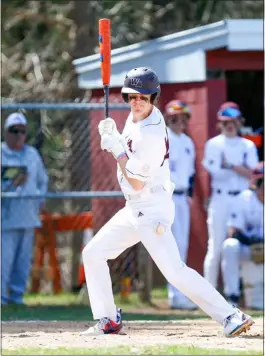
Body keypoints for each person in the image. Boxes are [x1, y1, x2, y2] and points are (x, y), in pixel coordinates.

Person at [81, 67, 254, 337]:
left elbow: (136, 180)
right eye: (132, 97)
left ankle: (231, 315)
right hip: (135, 208)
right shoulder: (137, 116)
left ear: (154, 98)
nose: (137, 103)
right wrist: (114, 133)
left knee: (175, 272)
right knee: (93, 253)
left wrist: (115, 149)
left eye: (143, 98)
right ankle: (108, 319)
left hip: (151, 209)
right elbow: (129, 144)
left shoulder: (151, 134)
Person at [202, 103, 259, 290]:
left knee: (237, 246)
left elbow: (253, 173)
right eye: (226, 122)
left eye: (233, 121)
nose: (230, 125)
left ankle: (234, 294)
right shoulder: (214, 144)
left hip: (242, 200)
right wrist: (239, 167)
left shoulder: (247, 145)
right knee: (216, 247)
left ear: (239, 122)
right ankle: (208, 293)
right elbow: (215, 172)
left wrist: (231, 166)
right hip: (221, 199)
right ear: (220, 123)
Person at [1, 112, 49, 305]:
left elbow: (43, 180)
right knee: (4, 261)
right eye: (15, 131)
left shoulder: (32, 154)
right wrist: (11, 183)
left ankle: (17, 297)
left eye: (23, 131)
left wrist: (40, 200)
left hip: (28, 216)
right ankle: (2, 298)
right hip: (6, 218)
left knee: (23, 261)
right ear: (6, 132)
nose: (19, 135)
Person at [164, 100, 196, 309]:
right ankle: (175, 295)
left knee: (182, 245)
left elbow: (191, 173)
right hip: (168, 196)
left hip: (183, 197)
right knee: (171, 247)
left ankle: (179, 294)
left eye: (182, 118)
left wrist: (190, 193)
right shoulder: (163, 138)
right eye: (175, 118)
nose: (179, 122)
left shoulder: (187, 141)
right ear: (168, 118)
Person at [221, 162, 264, 308]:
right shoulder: (243, 199)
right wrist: (254, 245)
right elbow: (233, 232)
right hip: (248, 248)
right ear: (256, 183)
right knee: (229, 245)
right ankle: (232, 296)